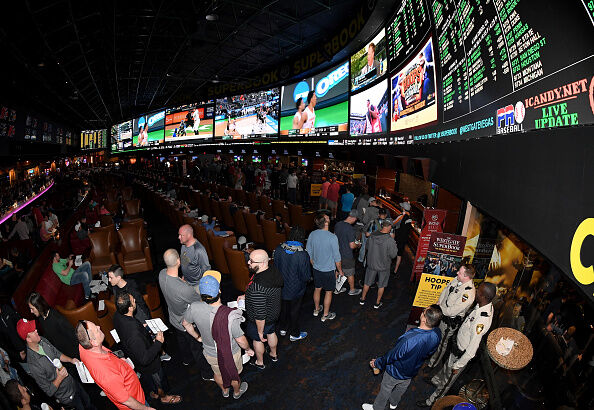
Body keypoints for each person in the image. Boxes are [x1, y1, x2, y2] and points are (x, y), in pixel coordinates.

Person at [418, 282, 497, 407]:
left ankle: (431, 401)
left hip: (460, 356)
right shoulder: (482, 305)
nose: (475, 291)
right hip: (457, 346)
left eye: (478, 291)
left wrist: (458, 365)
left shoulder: (481, 320)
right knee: (446, 368)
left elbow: (472, 350)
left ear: (482, 296)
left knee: (447, 382)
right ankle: (436, 380)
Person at [183, 271, 252, 399]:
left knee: (217, 373)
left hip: (210, 352)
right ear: (219, 291)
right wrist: (248, 349)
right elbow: (241, 340)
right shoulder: (230, 315)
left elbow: (185, 323)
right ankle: (237, 393)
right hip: (230, 352)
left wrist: (198, 337)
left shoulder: (194, 307)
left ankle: (224, 391)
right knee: (234, 374)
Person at [363, 305, 443, 410]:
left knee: (386, 388)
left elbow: (393, 355)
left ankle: (377, 408)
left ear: (424, 319)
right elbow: (430, 353)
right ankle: (394, 403)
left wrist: (377, 363)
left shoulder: (410, 338)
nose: (422, 311)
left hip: (396, 370)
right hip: (413, 370)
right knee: (402, 387)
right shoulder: (437, 333)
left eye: (424, 311)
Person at [113, 291, 181, 405]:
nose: (134, 300)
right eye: (133, 300)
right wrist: (158, 342)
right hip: (150, 365)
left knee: (149, 379)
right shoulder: (133, 334)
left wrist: (141, 328)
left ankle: (155, 392)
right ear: (130, 308)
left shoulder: (117, 316)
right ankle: (164, 397)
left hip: (135, 356)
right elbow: (145, 358)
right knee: (159, 380)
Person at [158, 249, 213, 379]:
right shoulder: (184, 289)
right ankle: (206, 374)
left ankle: (187, 360)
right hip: (185, 322)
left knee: (182, 342)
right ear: (178, 261)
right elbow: (199, 301)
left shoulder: (161, 274)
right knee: (197, 348)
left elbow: (173, 282)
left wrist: (180, 282)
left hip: (173, 318)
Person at [76, 320, 154, 410]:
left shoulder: (83, 347)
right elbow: (127, 401)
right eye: (96, 330)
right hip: (137, 401)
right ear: (94, 342)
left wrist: (119, 363)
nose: (99, 327)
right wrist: (146, 409)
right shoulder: (107, 374)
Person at [17, 319, 93, 410]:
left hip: (73, 382)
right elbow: (49, 391)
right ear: (28, 339)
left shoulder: (42, 341)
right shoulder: (33, 365)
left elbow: (57, 354)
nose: (36, 330)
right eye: (32, 331)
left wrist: (71, 360)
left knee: (90, 404)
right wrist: (60, 378)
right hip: (68, 397)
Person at [427, 264, 476, 368]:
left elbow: (453, 311)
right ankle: (430, 354)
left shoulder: (468, 293)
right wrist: (439, 303)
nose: (457, 272)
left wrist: (439, 310)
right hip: (441, 313)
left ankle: (432, 365)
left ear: (466, 277)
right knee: (434, 336)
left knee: (442, 344)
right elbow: (446, 290)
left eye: (460, 272)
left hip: (448, 322)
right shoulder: (458, 279)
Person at [241, 249, 283, 369]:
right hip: (274, 313)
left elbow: (260, 314)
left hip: (260, 320)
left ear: (263, 263)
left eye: (252, 261)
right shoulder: (273, 271)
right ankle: (274, 354)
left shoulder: (257, 287)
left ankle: (260, 362)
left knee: (258, 340)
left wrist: (260, 331)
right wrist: (246, 295)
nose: (248, 262)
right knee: (271, 332)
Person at [273, 226, 311, 341]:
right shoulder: (302, 254)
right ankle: (294, 334)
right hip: (296, 289)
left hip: (280, 286)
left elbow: (275, 267)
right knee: (294, 311)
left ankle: (282, 328)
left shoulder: (279, 248)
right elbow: (305, 276)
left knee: (283, 308)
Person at [307, 213, 343, 322]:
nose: (329, 217)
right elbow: (337, 258)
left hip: (316, 269)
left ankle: (317, 309)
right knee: (328, 291)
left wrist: (314, 264)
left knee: (317, 288)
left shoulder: (312, 234)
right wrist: (340, 271)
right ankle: (325, 315)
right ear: (326, 222)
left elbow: (309, 252)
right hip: (328, 270)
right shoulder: (332, 237)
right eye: (327, 217)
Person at [27, 293, 79, 361]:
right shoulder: (41, 318)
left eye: (32, 309)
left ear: (38, 306)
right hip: (61, 353)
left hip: (72, 354)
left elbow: (74, 337)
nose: (31, 311)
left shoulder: (57, 319)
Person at [360, 218, 398, 309]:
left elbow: (368, 247)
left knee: (367, 282)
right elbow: (393, 255)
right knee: (381, 285)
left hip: (372, 264)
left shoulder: (372, 235)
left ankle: (362, 299)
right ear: (389, 227)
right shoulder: (390, 240)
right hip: (384, 266)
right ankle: (377, 303)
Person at [334, 210, 362, 296]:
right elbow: (352, 246)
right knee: (350, 273)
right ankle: (352, 290)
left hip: (337, 253)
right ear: (354, 218)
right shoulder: (350, 229)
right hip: (347, 255)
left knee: (338, 270)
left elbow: (334, 237)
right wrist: (358, 245)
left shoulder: (338, 224)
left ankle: (337, 288)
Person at [392, 201, 413, 274]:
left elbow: (393, 223)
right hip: (404, 239)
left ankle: (389, 267)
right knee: (399, 254)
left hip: (397, 238)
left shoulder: (401, 216)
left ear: (403, 208)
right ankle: (395, 270)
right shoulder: (410, 217)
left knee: (392, 252)